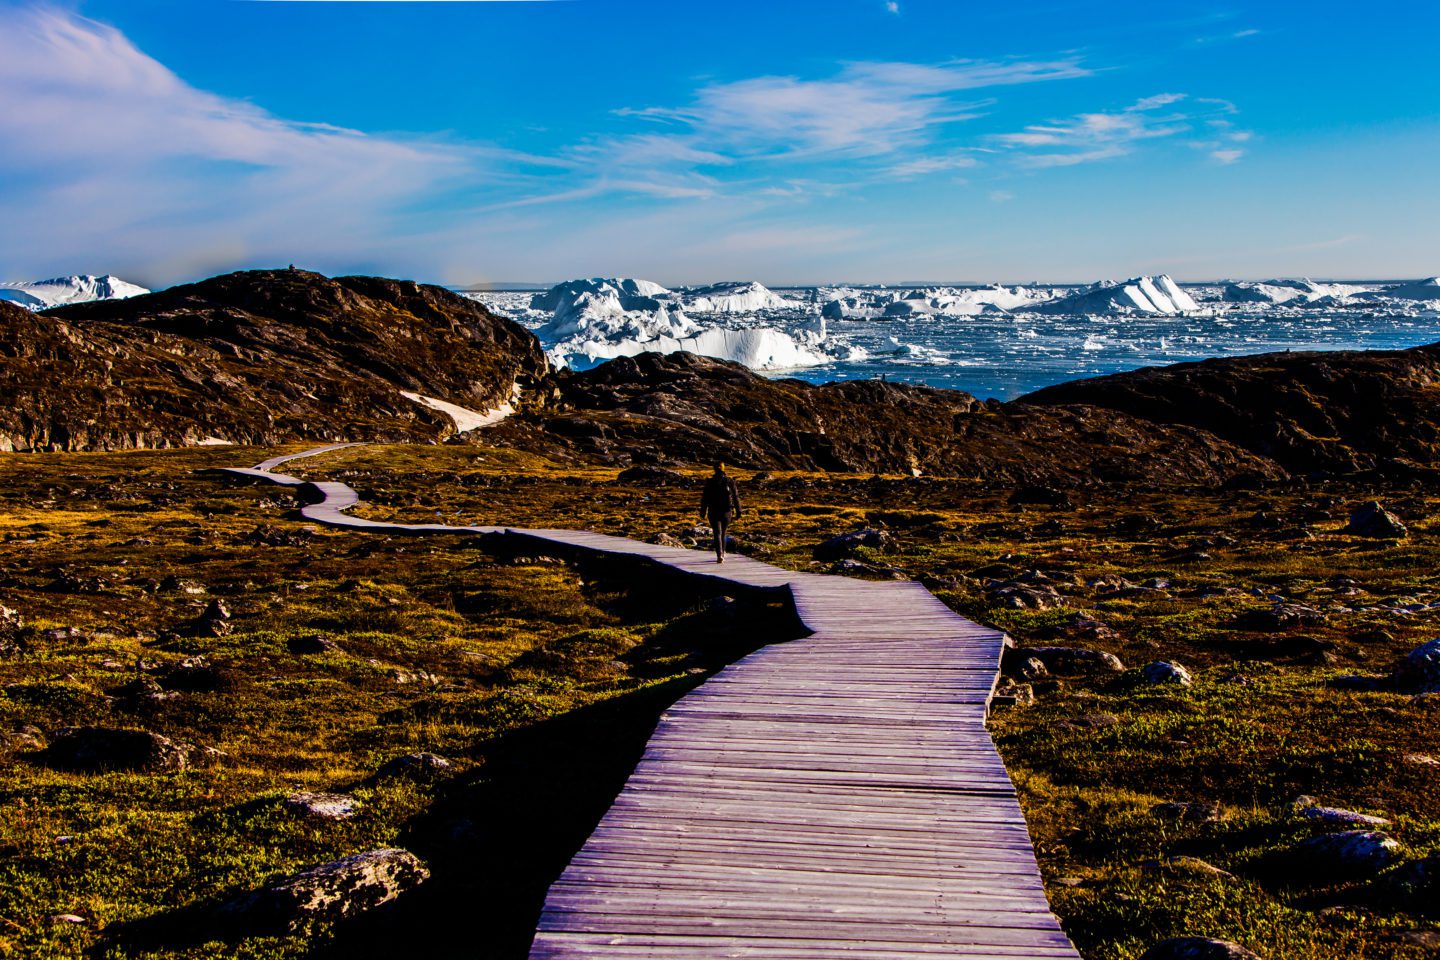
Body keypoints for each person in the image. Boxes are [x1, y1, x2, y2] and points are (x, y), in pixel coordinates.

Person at [698, 461, 742, 563]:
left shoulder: (710, 482)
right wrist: (739, 511)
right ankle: (723, 552)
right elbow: (736, 497)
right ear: (723, 468)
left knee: (717, 533)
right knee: (723, 533)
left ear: (714, 469)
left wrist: (703, 512)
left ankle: (719, 555)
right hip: (727, 511)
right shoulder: (730, 481)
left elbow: (705, 498)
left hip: (713, 511)